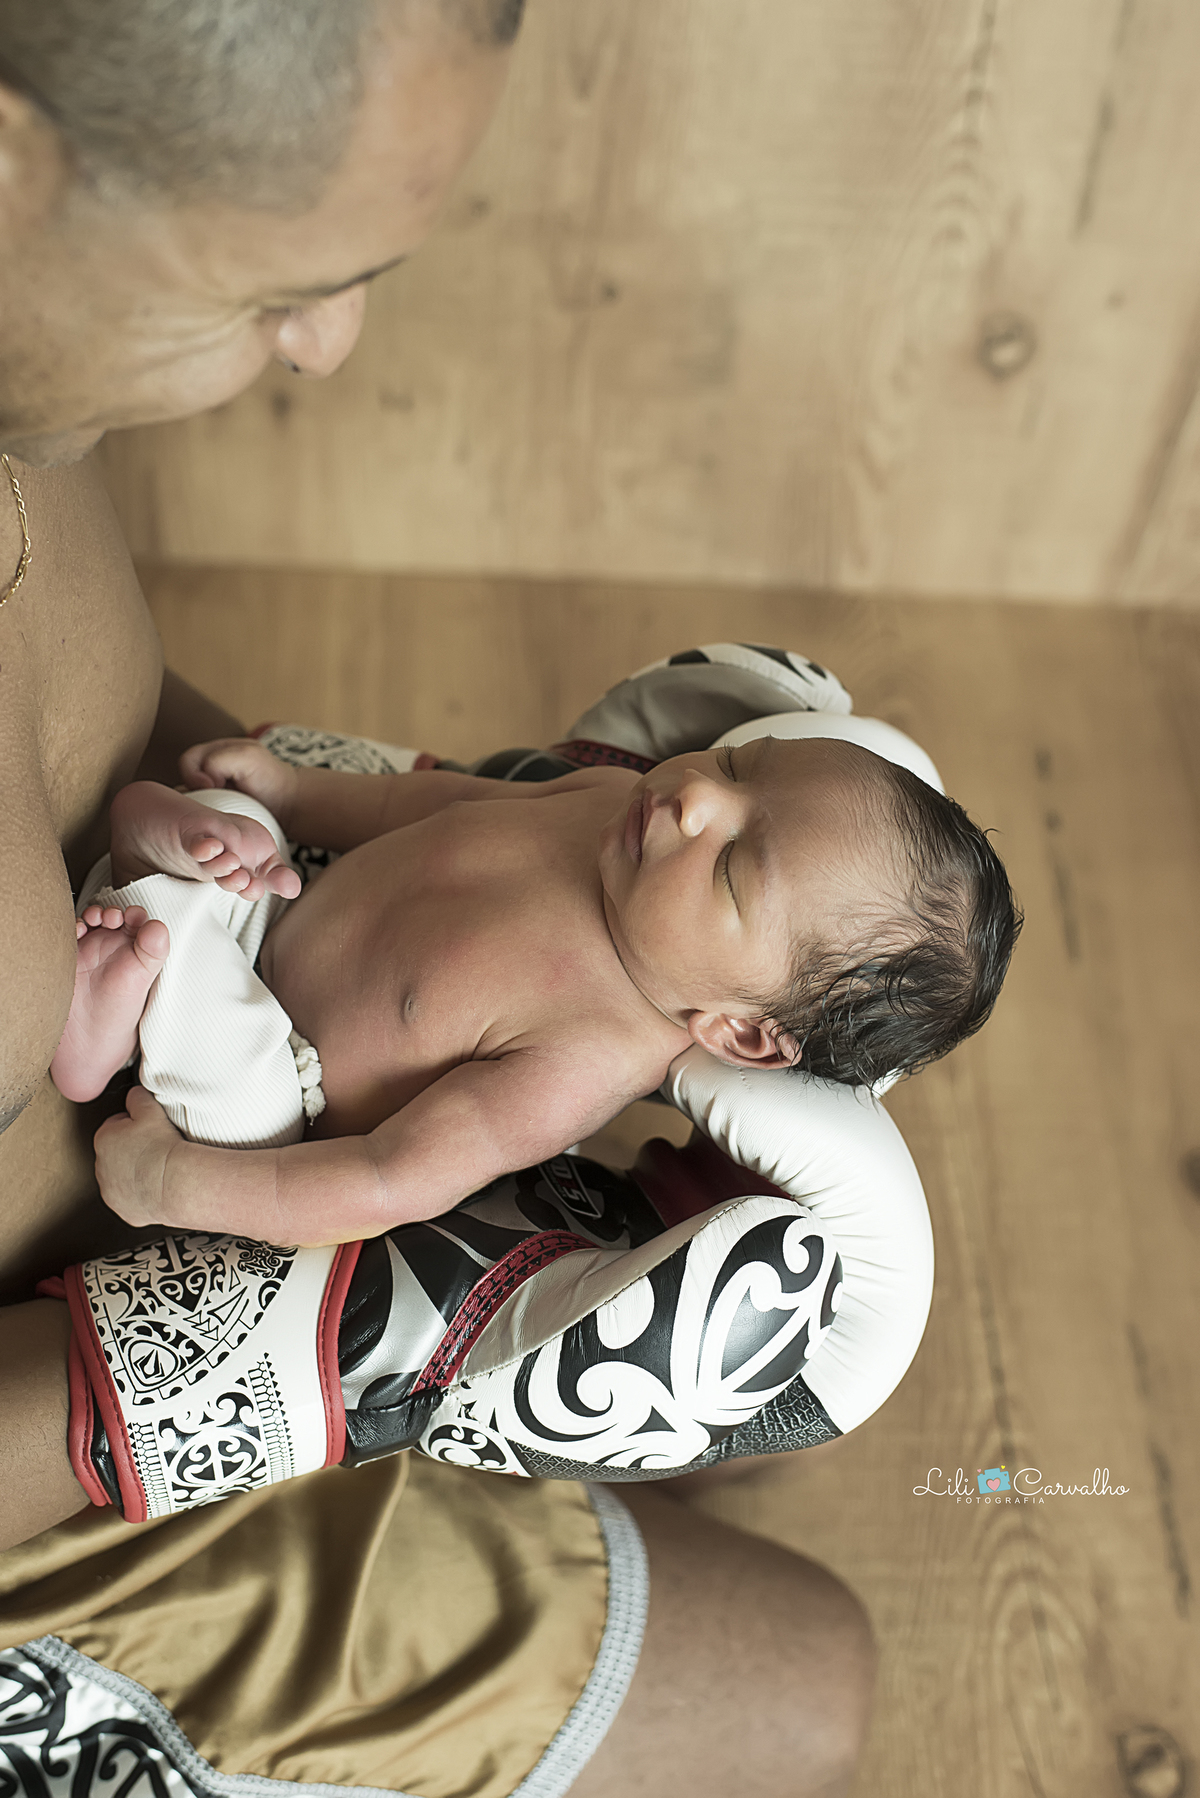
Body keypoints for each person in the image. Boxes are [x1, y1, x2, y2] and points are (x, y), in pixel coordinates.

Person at [0, 4, 879, 1794]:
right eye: (279, 289)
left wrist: (398, 848)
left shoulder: (33, 390)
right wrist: (318, 1349)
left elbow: (94, 731)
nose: (330, 348)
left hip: (171, 1228)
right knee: (811, 1681)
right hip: (53, 1433)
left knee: (716, 1412)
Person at [53, 733, 1017, 1245]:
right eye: (737, 766)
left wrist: (174, 1184)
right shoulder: (612, 810)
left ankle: (113, 1002)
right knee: (238, 834)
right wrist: (296, 794)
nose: (696, 799)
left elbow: (387, 1179)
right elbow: (429, 802)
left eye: (732, 869)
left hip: (275, 1075)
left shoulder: (584, 1056)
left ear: (742, 1033)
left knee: (231, 1071)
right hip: (277, 919)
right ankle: (150, 926)